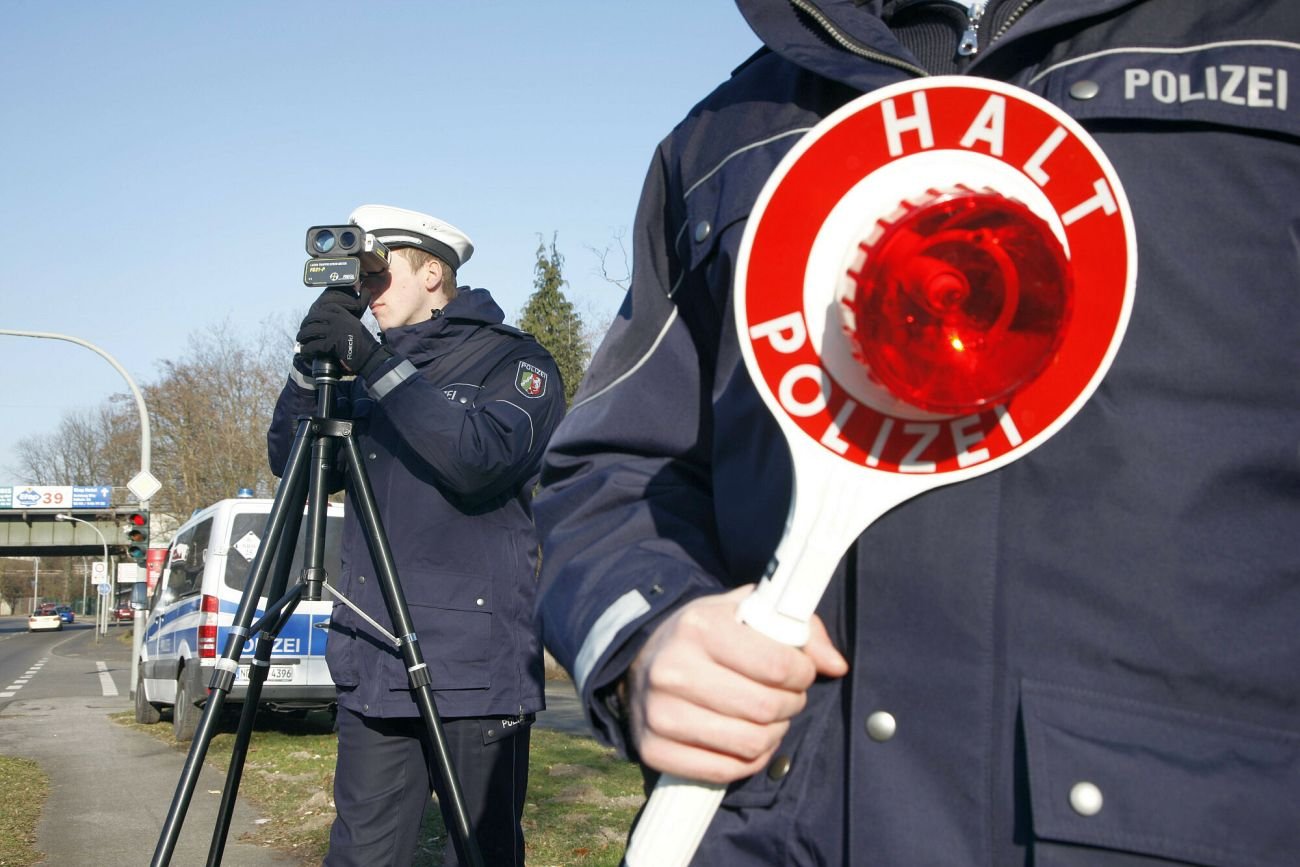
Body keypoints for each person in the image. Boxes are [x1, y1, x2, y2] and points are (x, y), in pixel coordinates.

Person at [534, 2, 1300, 865]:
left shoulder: (1268, 41)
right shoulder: (725, 136)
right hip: (771, 828)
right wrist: (647, 636)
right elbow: (612, 470)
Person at [268, 204, 566, 866]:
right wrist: (307, 363)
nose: (367, 294)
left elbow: (477, 458)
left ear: (433, 272)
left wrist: (372, 362)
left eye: (380, 274)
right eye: (358, 282)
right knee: (362, 856)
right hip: (374, 656)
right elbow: (292, 464)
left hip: (475, 666)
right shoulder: (362, 370)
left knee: (480, 853)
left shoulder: (513, 361)